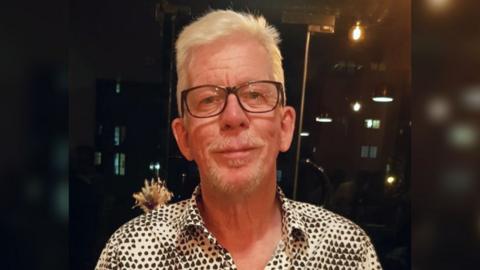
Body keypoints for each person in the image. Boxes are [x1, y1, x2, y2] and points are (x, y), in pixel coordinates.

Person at [96, 9, 382, 270]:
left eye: (255, 95)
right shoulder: (130, 254)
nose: (233, 116)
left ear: (285, 127)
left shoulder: (348, 251)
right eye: (208, 99)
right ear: (184, 138)